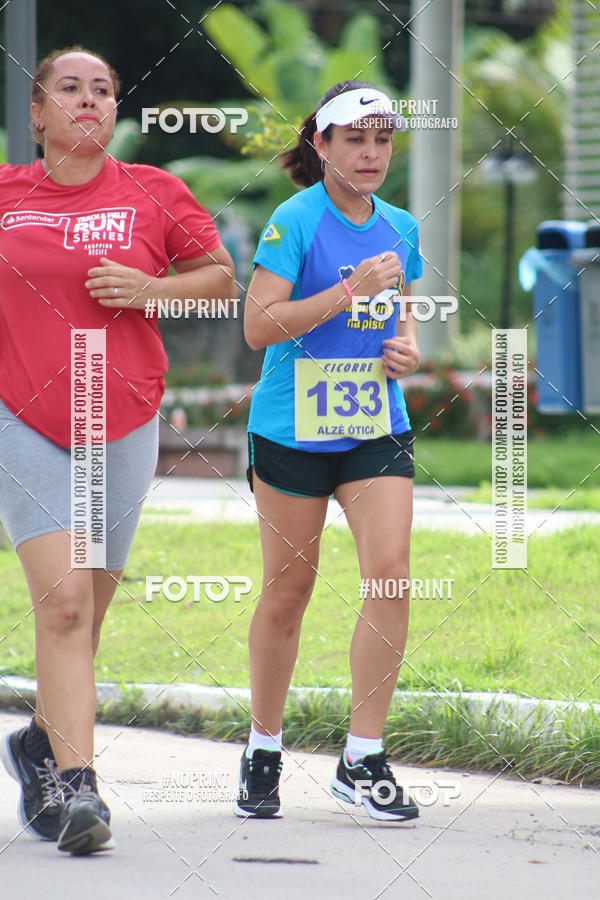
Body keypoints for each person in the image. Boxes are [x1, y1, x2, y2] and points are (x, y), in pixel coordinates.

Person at [0, 46, 234, 853]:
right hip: (21, 416)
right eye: (69, 89)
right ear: (36, 112)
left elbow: (221, 278)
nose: (89, 100)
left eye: (103, 89)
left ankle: (39, 742)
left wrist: (150, 290)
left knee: (86, 614)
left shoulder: (153, 192)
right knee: (63, 603)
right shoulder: (5, 195)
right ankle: (78, 788)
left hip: (119, 415)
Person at [235, 80, 423, 821]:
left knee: (392, 577)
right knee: (289, 591)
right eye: (355, 138)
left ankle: (363, 757)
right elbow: (258, 328)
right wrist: (346, 293)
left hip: (374, 421)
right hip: (292, 429)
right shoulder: (296, 218)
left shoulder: (402, 224)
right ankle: (262, 747)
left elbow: (400, 328)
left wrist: (406, 350)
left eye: (382, 138)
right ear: (322, 145)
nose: (371, 152)